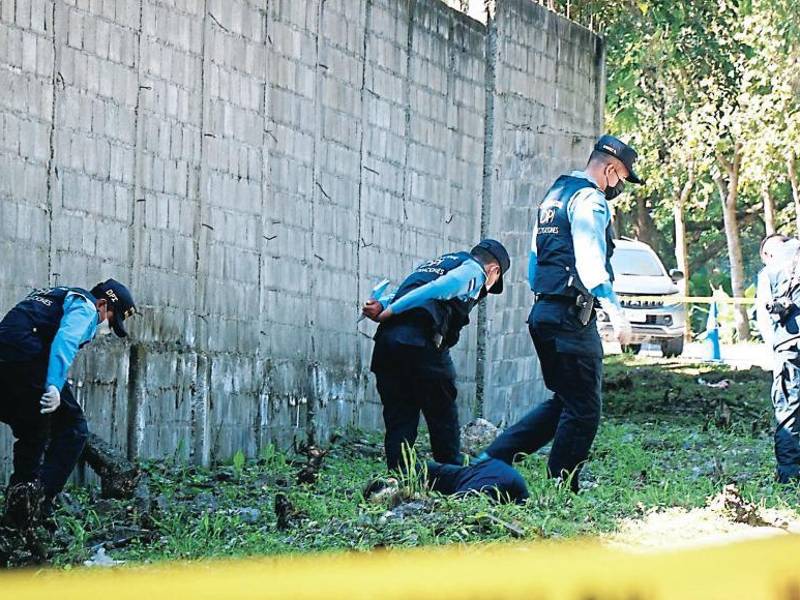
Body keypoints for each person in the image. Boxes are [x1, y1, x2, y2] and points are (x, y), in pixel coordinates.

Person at [476, 135, 643, 492]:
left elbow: (535, 262)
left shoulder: (555, 195)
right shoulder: (591, 200)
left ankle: (492, 459)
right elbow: (590, 261)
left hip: (544, 313)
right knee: (584, 409)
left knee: (564, 402)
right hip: (571, 319)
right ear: (611, 169)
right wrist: (616, 311)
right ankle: (562, 488)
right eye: (621, 179)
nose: (618, 188)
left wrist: (545, 301)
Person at [362, 240, 510, 472]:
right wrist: (390, 311)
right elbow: (440, 288)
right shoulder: (474, 270)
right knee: (442, 410)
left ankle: (398, 476)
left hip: (387, 345)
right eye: (494, 283)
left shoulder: (440, 263)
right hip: (421, 343)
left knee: (400, 415)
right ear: (494, 271)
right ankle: (452, 473)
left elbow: (409, 291)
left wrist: (381, 304)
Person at [0, 279, 136, 506]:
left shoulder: (56, 294)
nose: (104, 324)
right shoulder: (86, 306)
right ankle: (38, 500)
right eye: (110, 318)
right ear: (102, 304)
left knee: (32, 428)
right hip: (26, 355)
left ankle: (21, 500)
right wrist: (53, 383)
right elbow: (66, 339)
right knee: (73, 428)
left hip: (7, 357)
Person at [755, 233, 800, 483]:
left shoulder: (769, 272)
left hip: (788, 346)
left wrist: (775, 353)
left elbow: (764, 319)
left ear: (768, 254)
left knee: (788, 412)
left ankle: (789, 477)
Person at [364, 457, 529, 505]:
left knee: (455, 509)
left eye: (384, 498)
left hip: (489, 476)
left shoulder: (412, 473)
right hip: (504, 477)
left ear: (392, 481)